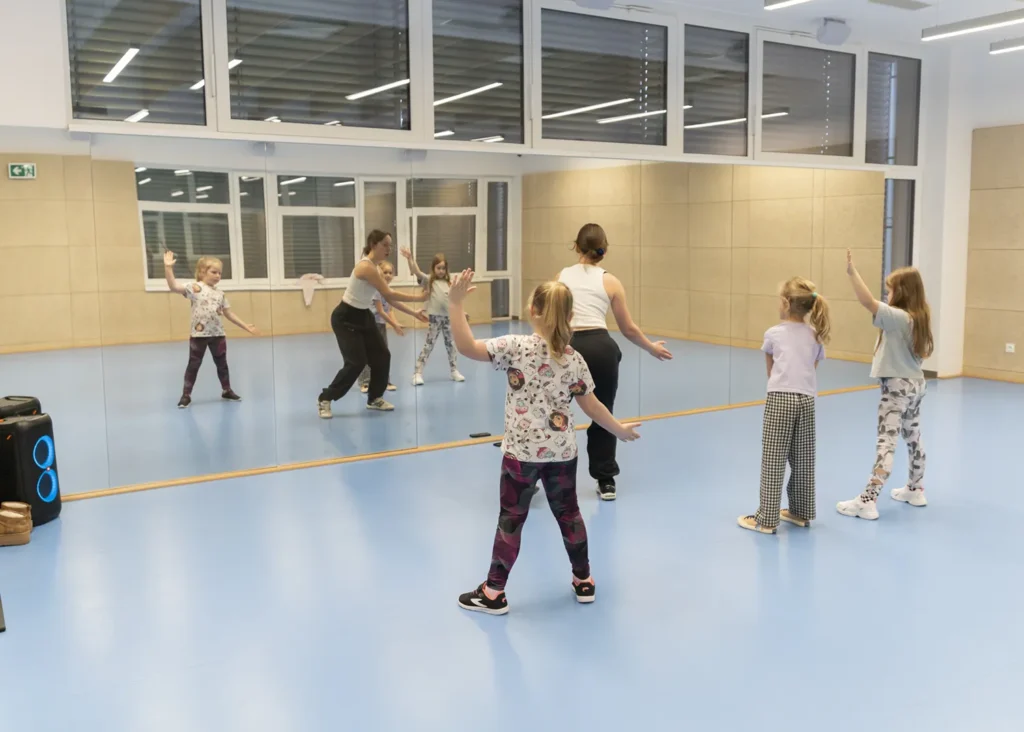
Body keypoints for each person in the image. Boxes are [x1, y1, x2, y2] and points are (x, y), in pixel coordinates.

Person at [447, 271, 641, 615]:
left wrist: (455, 303)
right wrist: (619, 430)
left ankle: (494, 592)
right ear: (571, 316)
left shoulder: (513, 347)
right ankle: (584, 580)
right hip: (562, 454)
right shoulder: (574, 359)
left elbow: (466, 347)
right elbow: (593, 406)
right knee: (570, 514)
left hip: (520, 456)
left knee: (511, 518)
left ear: (532, 310)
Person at [557, 223, 672, 501]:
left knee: (553, 412)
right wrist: (651, 348)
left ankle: (538, 473)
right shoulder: (611, 281)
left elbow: (551, 317)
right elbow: (628, 328)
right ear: (604, 250)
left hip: (567, 347)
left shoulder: (561, 276)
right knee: (604, 412)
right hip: (600, 348)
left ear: (576, 246)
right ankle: (605, 479)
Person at [837, 250, 934, 520]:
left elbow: (867, 301)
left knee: (886, 442)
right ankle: (916, 488)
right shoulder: (919, 317)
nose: (886, 294)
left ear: (901, 292)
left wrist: (852, 273)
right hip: (916, 385)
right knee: (913, 437)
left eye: (889, 290)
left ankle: (867, 500)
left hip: (897, 389)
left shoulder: (899, 317)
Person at [738, 278, 830, 534]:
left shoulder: (773, 334)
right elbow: (812, 367)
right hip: (807, 400)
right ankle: (801, 510)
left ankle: (767, 519)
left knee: (773, 458)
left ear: (786, 303)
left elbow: (771, 371)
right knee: (803, 457)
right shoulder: (815, 336)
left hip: (780, 398)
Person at [317, 231, 428, 418]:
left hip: (363, 316)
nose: (388, 249)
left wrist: (414, 313)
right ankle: (325, 398)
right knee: (356, 363)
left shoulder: (375, 269)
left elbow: (388, 299)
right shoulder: (366, 267)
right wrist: (419, 298)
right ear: (373, 244)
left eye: (390, 245)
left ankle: (375, 398)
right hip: (345, 318)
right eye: (385, 244)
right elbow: (390, 294)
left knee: (382, 356)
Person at [164, 251, 257, 409]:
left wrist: (245, 326)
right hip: (199, 335)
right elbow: (174, 286)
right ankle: (186, 395)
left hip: (218, 334)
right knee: (193, 365)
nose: (218, 276)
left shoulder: (220, 293)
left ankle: (226, 390)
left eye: (220, 273)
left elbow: (228, 313)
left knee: (222, 364)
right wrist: (168, 268)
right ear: (202, 272)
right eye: (214, 272)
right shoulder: (194, 288)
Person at [358, 260, 426, 394]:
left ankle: (384, 381)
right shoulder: (376, 290)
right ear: (379, 273)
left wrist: (401, 320)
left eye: (390, 273)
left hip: (381, 325)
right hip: (369, 324)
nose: (388, 275)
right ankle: (365, 382)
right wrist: (394, 325)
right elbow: (380, 311)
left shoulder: (387, 290)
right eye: (385, 272)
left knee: (383, 354)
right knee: (368, 353)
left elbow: (390, 309)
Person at [400, 248, 465, 385]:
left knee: (451, 345)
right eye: (438, 268)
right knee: (429, 345)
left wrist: (461, 313)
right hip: (435, 318)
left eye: (443, 268)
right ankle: (417, 373)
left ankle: (454, 370)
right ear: (433, 268)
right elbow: (416, 271)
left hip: (448, 318)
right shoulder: (429, 280)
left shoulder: (449, 284)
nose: (441, 271)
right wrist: (410, 259)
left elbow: (453, 301)